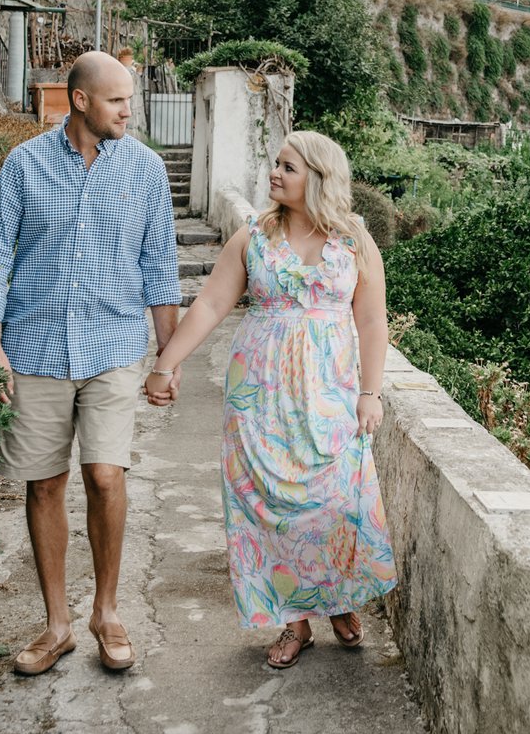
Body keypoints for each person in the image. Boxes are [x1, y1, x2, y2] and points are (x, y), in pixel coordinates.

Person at [144, 130, 397, 668]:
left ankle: (339, 601)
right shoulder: (253, 236)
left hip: (330, 393)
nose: (275, 174)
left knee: (335, 503)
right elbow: (212, 304)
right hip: (258, 398)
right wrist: (167, 363)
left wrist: (370, 393)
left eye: (288, 167)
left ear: (319, 178)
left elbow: (373, 320)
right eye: (275, 164)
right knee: (266, 510)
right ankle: (294, 622)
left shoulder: (354, 240)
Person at [0, 51, 182, 676]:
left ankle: (107, 612)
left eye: (130, 99)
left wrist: (166, 360)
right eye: (118, 99)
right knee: (43, 483)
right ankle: (57, 624)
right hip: (35, 346)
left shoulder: (144, 169)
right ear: (82, 102)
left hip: (114, 346)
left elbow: (160, 264)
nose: (129, 109)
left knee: (105, 477)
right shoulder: (24, 164)